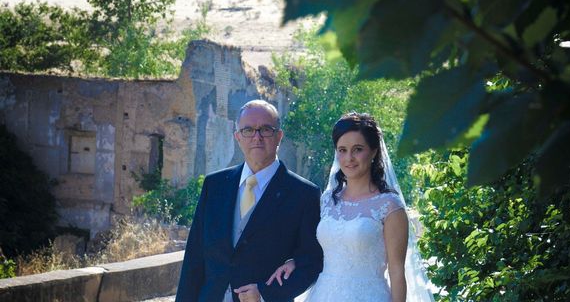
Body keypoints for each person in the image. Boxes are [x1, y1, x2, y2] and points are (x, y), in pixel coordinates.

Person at [267, 112, 435, 302]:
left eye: (357, 149)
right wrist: (295, 261)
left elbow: (397, 272)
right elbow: (318, 251)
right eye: (342, 150)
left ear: (373, 151)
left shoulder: (390, 206)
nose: (349, 158)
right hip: (323, 294)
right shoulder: (327, 200)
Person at [176, 99, 323, 302]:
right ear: (238, 137)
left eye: (265, 129)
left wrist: (265, 293)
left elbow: (311, 263)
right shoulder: (215, 185)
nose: (257, 137)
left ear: (279, 136)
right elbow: (195, 256)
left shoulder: (304, 194)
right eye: (248, 130)